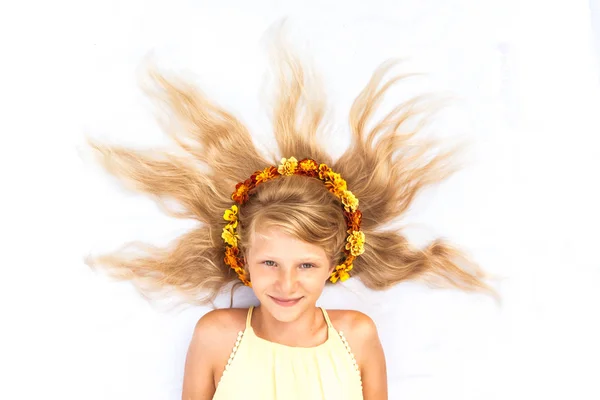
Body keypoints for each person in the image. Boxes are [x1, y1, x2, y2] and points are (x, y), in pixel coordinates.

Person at [86, 45, 496, 400]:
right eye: (270, 263)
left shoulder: (358, 336)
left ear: (335, 261)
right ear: (242, 256)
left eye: (306, 265)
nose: (286, 284)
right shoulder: (215, 336)